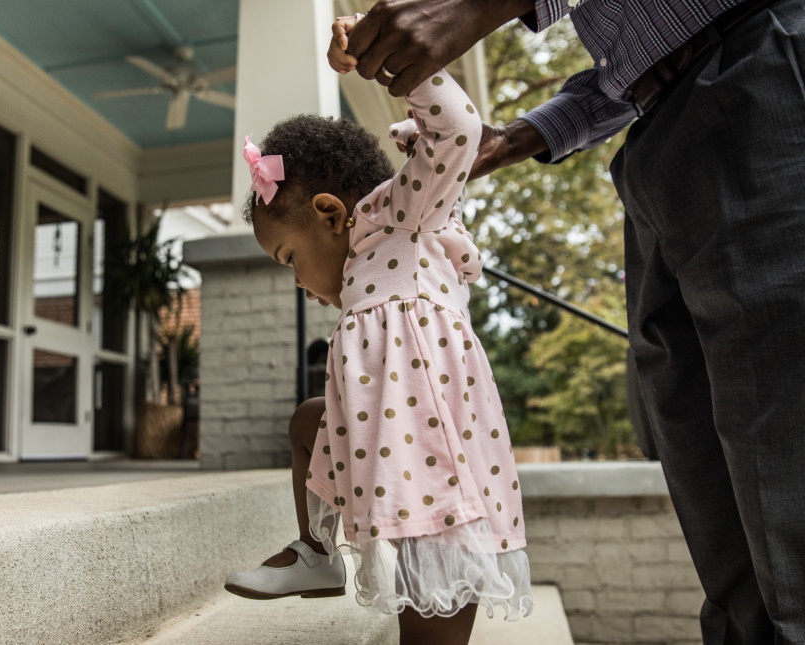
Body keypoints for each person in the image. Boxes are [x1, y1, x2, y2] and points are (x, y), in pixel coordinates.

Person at [337, 1, 805, 643]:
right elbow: (620, 72)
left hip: (760, 65)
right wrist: (517, 139)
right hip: (657, 128)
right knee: (704, 460)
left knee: (782, 440)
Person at [224, 15, 533, 644]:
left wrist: (391, 62)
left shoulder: (403, 216)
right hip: (383, 433)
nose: (297, 282)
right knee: (309, 423)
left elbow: (459, 132)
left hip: (429, 448)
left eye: (290, 259)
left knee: (432, 571)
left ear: (330, 214)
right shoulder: (362, 266)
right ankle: (317, 552)